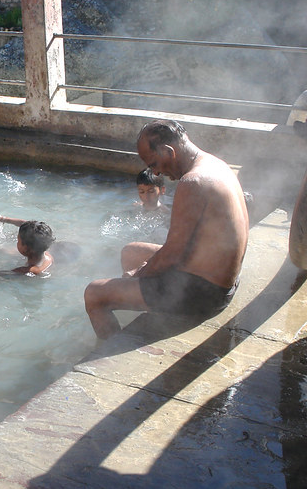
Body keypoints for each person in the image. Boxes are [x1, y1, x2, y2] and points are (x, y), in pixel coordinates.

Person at [85, 120, 248, 339]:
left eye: (153, 164)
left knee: (95, 294)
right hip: (223, 280)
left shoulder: (193, 182)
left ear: (168, 151)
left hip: (205, 294)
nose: (156, 172)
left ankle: (111, 348)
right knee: (130, 251)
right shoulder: (216, 165)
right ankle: (149, 310)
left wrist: (137, 276)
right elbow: (182, 248)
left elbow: (173, 254)